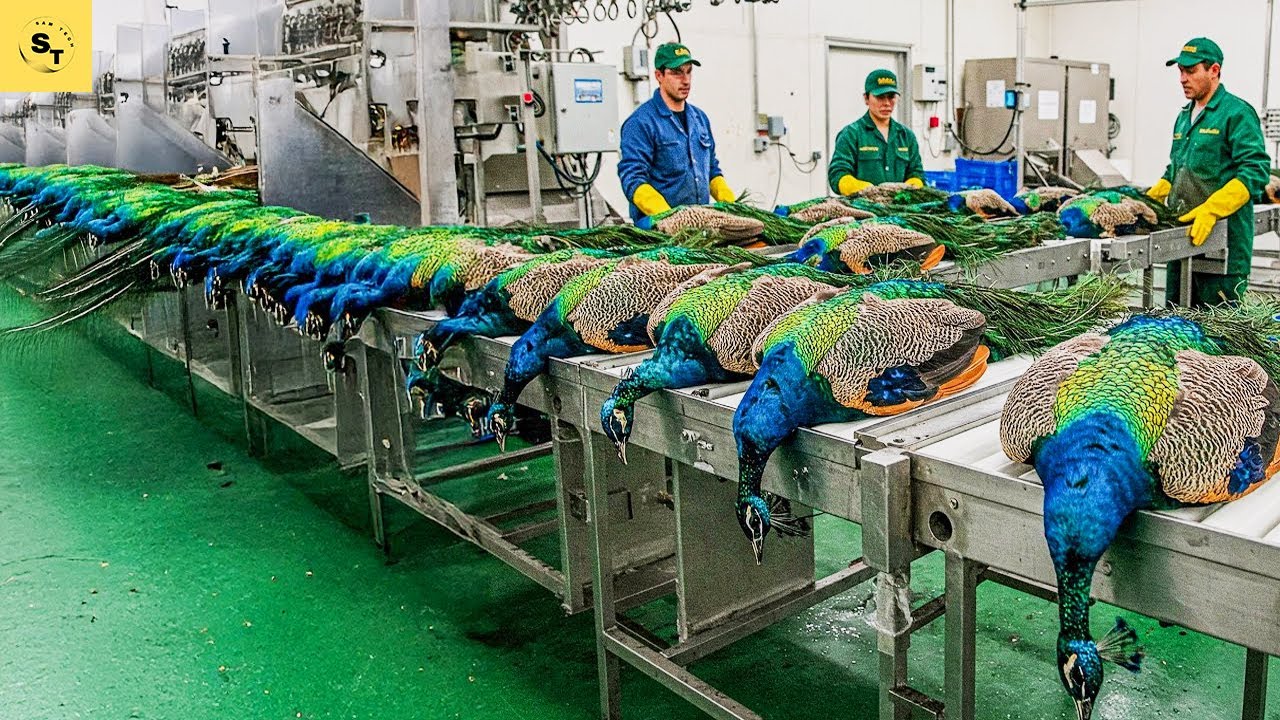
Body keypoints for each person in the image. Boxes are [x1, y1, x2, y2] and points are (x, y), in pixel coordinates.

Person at [1147, 37, 1270, 306]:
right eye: (1180, 71)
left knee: (1216, 338)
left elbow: (1255, 170)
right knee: (1175, 329)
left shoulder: (1236, 113)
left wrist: (1212, 208)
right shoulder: (1184, 116)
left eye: (1190, 71)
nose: (1182, 78)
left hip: (1222, 249)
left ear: (1214, 71)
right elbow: (1178, 166)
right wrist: (1157, 192)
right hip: (1182, 240)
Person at [618, 42, 735, 224]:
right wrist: (670, 218)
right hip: (658, 233)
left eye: (688, 71)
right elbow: (633, 179)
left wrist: (731, 204)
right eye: (677, 72)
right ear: (659, 76)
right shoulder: (640, 123)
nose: (686, 80)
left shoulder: (700, 119)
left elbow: (711, 169)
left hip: (699, 226)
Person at [828, 69, 926, 196]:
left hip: (900, 211)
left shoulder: (906, 136)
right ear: (866, 98)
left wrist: (913, 185)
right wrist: (860, 189)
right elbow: (837, 174)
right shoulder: (851, 134)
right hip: (863, 211)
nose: (886, 103)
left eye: (891, 97)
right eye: (880, 97)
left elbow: (916, 172)